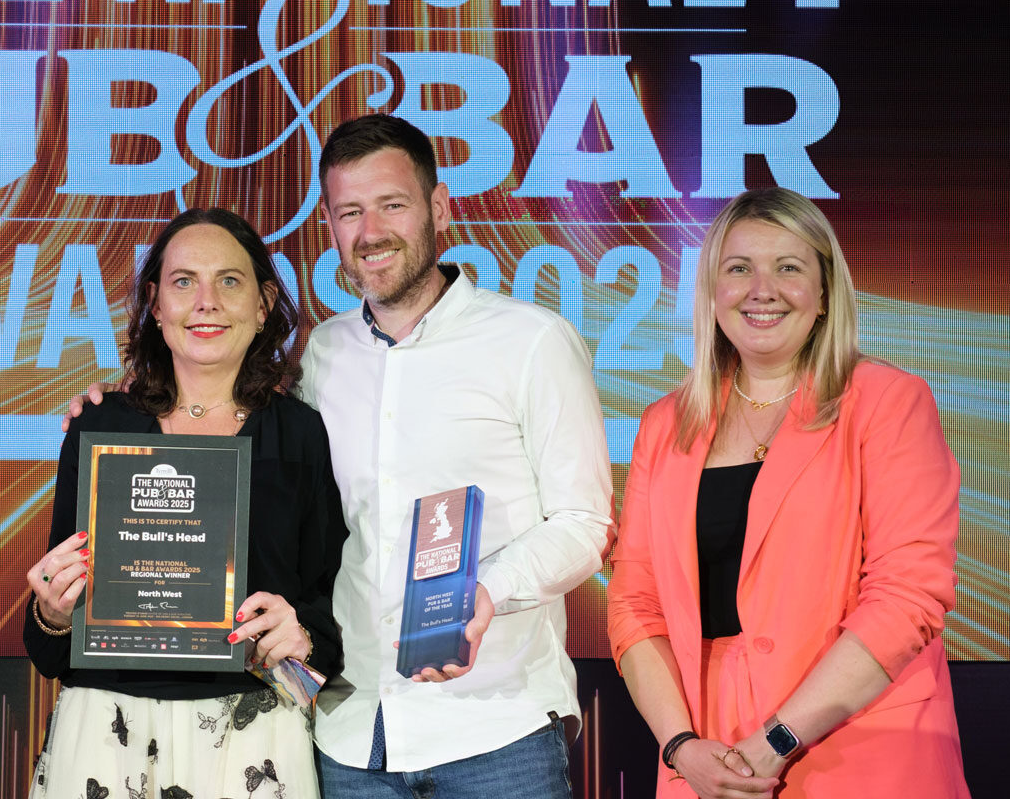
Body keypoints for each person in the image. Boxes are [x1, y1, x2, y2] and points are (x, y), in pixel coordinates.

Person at [607, 187, 969, 798]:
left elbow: (908, 595)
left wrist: (775, 739)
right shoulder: (666, 424)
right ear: (712, 291)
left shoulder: (887, 402)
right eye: (738, 268)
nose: (762, 289)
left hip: (860, 746)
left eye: (789, 268)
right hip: (706, 760)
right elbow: (635, 604)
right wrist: (680, 748)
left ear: (825, 294)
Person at [301, 113, 613, 798]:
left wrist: (485, 590)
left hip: (497, 730)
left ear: (439, 208)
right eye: (350, 212)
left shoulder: (532, 341)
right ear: (330, 224)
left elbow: (584, 524)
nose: (370, 232)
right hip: (353, 736)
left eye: (392, 205)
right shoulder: (322, 353)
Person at [26, 208, 347, 798]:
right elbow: (49, 646)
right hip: (106, 732)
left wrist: (302, 638)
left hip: (253, 735)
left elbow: (326, 612)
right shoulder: (101, 425)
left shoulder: (300, 434)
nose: (206, 302)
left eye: (229, 281)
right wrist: (53, 612)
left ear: (263, 304)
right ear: (155, 303)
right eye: (183, 281)